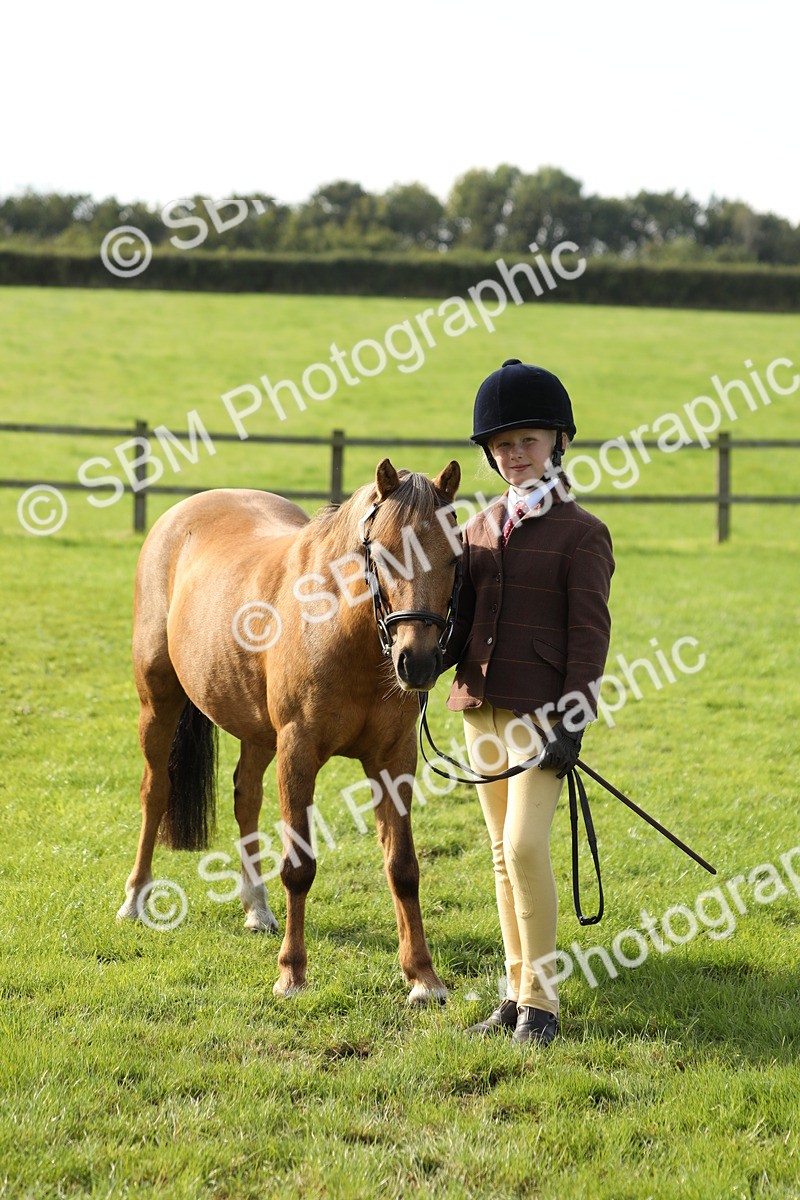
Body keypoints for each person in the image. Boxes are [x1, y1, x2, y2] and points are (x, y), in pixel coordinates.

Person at [443, 358, 615, 1045]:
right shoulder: (478, 528)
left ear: (557, 443)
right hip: (480, 704)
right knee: (496, 851)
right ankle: (514, 996)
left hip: (542, 717)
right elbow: (461, 619)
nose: (515, 456)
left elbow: (590, 637)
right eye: (503, 445)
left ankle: (542, 1005)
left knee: (523, 847)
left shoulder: (583, 534)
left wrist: (573, 721)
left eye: (528, 442)